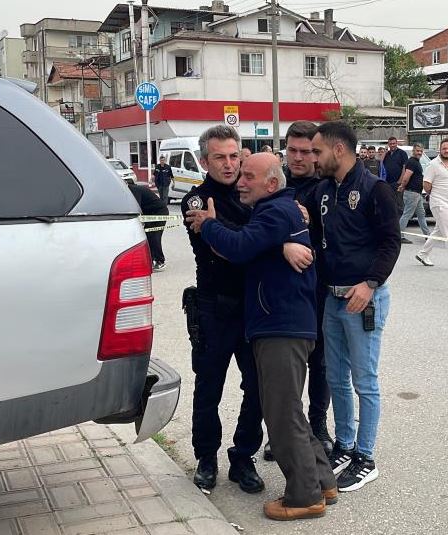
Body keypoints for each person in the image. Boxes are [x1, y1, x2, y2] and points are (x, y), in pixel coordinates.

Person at [188, 152, 337, 521]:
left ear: (271, 183)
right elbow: (251, 243)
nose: (239, 179)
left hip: (280, 326)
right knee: (288, 409)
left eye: (248, 175)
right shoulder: (279, 210)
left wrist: (208, 223)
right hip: (281, 323)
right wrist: (278, 247)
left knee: (281, 413)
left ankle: (304, 496)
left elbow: (238, 246)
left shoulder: (275, 211)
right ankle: (322, 480)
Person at [306, 121, 400, 493]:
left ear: (338, 150)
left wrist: (370, 283)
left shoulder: (375, 189)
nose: (313, 158)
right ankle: (344, 446)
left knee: (364, 380)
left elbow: (391, 242)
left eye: (317, 152)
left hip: (364, 297)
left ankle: (366, 456)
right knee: (335, 378)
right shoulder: (324, 190)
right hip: (332, 297)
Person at [180, 125, 265, 494]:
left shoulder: (252, 191)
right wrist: (241, 235)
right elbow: (227, 249)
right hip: (215, 306)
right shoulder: (196, 201)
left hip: (252, 305)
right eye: (220, 157)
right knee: (209, 387)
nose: (229, 165)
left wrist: (229, 231)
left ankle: (243, 457)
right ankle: (206, 457)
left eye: (234, 156)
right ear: (204, 160)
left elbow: (250, 241)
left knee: (258, 386)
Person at [263, 120, 335, 462]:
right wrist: (283, 241)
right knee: (283, 373)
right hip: (281, 295)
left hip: (319, 290)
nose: (298, 158)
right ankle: (281, 433)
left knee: (321, 364)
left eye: (306, 152)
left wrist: (312, 222)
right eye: (292, 150)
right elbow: (256, 231)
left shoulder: (326, 188)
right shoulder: (274, 184)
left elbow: (340, 238)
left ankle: (318, 428)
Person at [415, 139, 448, 272]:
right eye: (444, 148)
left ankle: (423, 254)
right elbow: (426, 185)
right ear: (440, 149)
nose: (446, 150)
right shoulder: (433, 165)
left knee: (438, 231)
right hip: (439, 203)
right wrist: (435, 195)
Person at [125, 176, 168, 271]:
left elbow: (136, 207)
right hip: (150, 215)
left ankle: (160, 261)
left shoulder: (134, 190)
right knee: (148, 237)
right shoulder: (133, 190)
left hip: (159, 213)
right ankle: (151, 260)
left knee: (154, 236)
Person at [397, 143, 430, 244]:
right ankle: (399, 236)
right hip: (412, 193)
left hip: (417, 193)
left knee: (421, 214)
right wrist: (402, 186)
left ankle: (427, 235)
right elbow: (406, 177)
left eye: (421, 151)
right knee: (407, 214)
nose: (419, 153)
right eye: (417, 151)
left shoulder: (416, 162)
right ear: (413, 151)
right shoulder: (412, 162)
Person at [382, 137, 408, 212]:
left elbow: (404, 167)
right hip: (387, 183)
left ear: (396, 143)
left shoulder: (402, 153)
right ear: (388, 144)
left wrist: (400, 181)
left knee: (399, 204)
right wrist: (385, 151)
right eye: (390, 144)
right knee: (388, 204)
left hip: (397, 183)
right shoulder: (387, 154)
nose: (392, 145)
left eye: (394, 143)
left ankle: (400, 223)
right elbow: (380, 163)